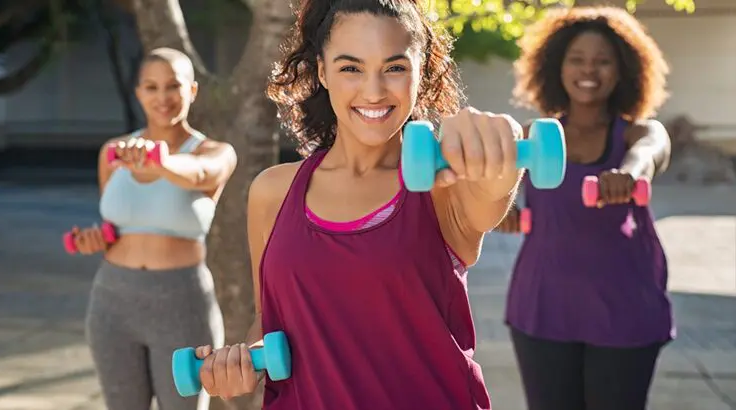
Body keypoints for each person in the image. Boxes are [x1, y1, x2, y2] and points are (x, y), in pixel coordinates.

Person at [187, 0, 548, 409]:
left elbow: (490, 196)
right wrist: (243, 364)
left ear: (421, 70)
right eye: (350, 68)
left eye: (394, 67)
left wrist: (500, 155)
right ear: (322, 70)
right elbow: (273, 320)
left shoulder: (444, 184)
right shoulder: (273, 191)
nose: (373, 90)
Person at [497, 6, 674, 410]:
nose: (588, 70)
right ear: (556, 66)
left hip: (626, 307)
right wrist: (498, 208)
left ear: (623, 70)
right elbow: (492, 189)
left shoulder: (638, 132)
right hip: (544, 306)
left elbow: (651, 152)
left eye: (602, 61)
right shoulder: (533, 136)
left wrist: (628, 173)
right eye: (576, 59)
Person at [71, 47, 237, 410]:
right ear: (138, 93)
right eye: (151, 87)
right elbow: (116, 229)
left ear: (192, 90)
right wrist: (96, 239)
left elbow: (199, 175)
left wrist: (159, 162)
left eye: (173, 86)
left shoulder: (214, 152)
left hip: (182, 302)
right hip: (112, 301)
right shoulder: (113, 153)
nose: (163, 98)